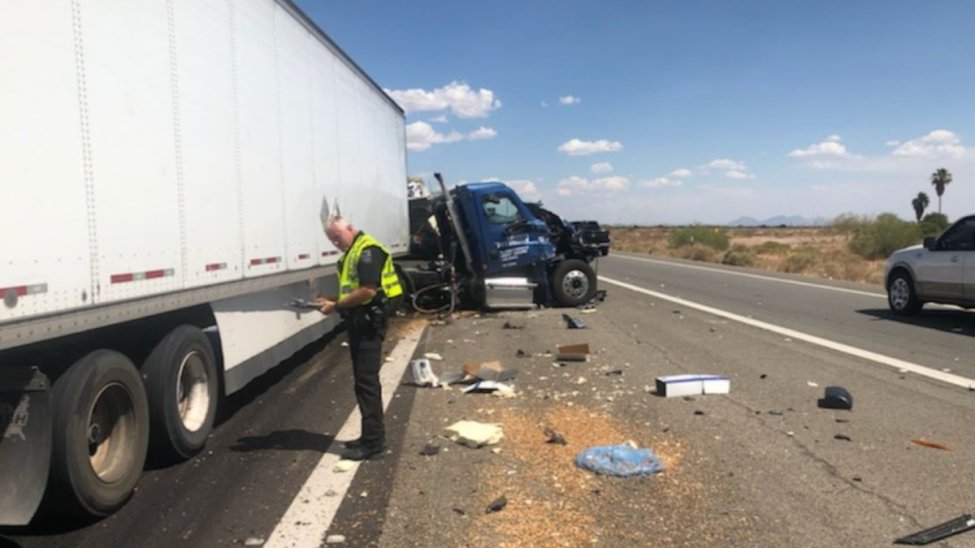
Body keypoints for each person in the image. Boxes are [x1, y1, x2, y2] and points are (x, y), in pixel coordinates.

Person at [316, 216, 403, 460]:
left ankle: (374, 443)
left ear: (350, 229)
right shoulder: (354, 251)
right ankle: (368, 437)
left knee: (367, 383)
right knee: (363, 382)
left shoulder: (367, 251)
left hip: (369, 323)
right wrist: (332, 299)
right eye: (332, 240)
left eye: (337, 237)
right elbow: (354, 289)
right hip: (361, 321)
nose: (336, 243)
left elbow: (367, 291)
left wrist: (335, 306)